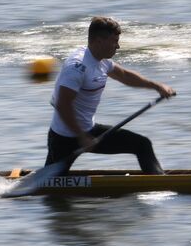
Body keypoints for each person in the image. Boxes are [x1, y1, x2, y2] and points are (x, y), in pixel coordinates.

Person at [46, 16, 176, 174]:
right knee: (51, 187)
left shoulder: (102, 61)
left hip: (89, 130)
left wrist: (156, 86)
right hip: (64, 138)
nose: (118, 46)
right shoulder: (77, 67)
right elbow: (62, 105)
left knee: (142, 144)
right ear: (99, 41)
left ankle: (158, 185)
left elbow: (124, 76)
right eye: (114, 41)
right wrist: (81, 137)